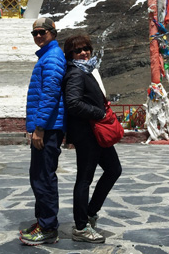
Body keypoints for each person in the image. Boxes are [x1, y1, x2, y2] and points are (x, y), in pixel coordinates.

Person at [62, 34, 122, 243]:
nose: (84, 53)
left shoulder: (85, 71)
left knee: (114, 169)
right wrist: (100, 114)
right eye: (78, 51)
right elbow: (73, 103)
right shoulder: (76, 74)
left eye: (86, 48)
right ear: (71, 54)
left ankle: (90, 213)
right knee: (84, 179)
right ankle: (80, 227)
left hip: (95, 133)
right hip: (87, 134)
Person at [19, 17, 67, 246]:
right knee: (38, 176)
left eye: (43, 32)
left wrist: (39, 128)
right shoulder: (47, 56)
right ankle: (43, 221)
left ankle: (48, 227)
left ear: (53, 33)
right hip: (45, 127)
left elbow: (49, 95)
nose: (38, 36)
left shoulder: (53, 58)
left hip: (47, 128)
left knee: (44, 178)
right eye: (35, 33)